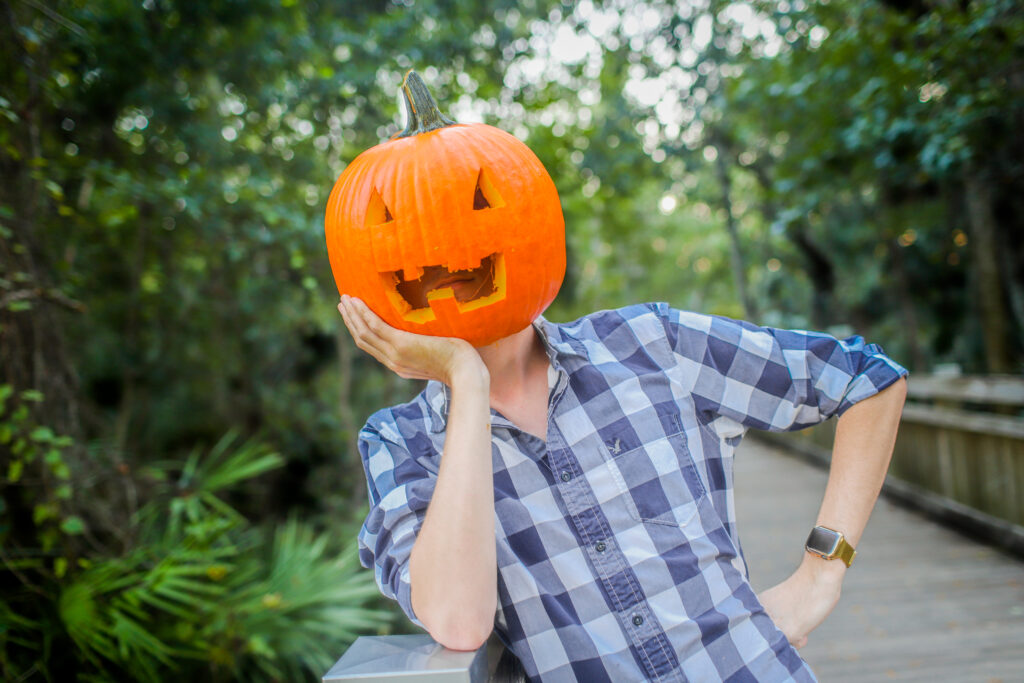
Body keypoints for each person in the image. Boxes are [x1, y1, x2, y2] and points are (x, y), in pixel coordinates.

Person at [339, 284, 907, 681]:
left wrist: (821, 574)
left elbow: (864, 379)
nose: (447, 260)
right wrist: (465, 378)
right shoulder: (401, 442)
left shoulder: (649, 342)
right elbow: (460, 621)